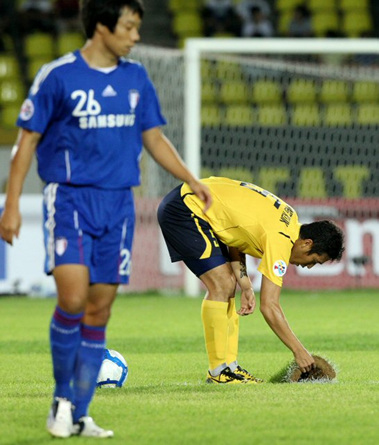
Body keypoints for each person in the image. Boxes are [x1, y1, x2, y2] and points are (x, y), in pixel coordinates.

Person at [0, 0, 211, 439]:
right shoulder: (58, 76)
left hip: (118, 205)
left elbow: (153, 137)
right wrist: (13, 204)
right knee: (73, 301)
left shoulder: (136, 78)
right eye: (130, 27)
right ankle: (62, 399)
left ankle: (79, 413)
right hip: (71, 200)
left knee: (99, 309)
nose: (136, 36)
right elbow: (26, 143)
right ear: (101, 27)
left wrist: (191, 178)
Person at [158, 177, 344, 384]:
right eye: (314, 261)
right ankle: (219, 371)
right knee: (221, 284)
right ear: (307, 243)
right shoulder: (280, 239)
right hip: (185, 208)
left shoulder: (289, 219)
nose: (308, 266)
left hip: (196, 203)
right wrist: (299, 351)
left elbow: (236, 233)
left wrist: (244, 283)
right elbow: (269, 306)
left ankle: (229, 368)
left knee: (228, 283)